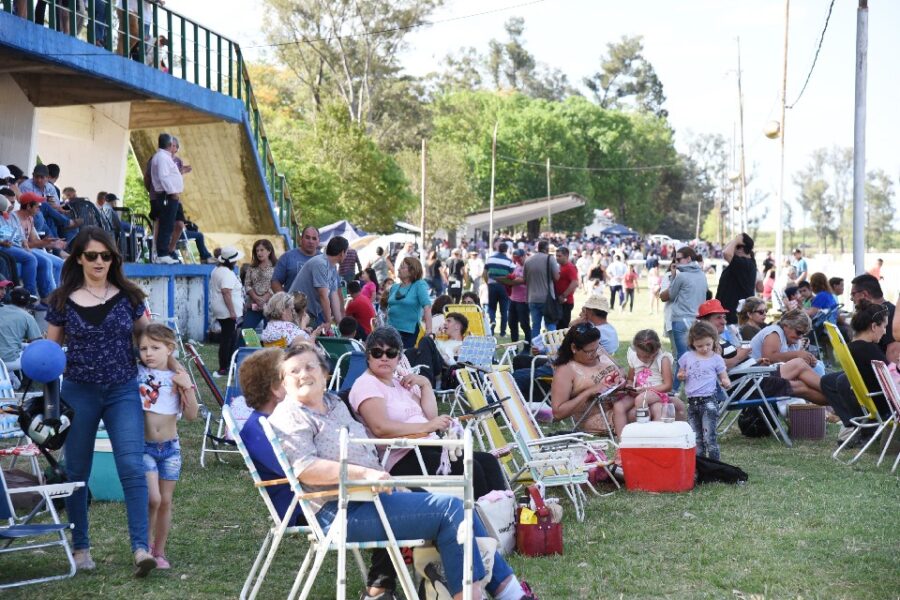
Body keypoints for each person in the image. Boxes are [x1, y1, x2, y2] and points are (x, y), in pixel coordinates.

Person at [269, 342, 535, 600]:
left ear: (324, 372)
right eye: (294, 371)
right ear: (283, 382)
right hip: (340, 510)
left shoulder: (334, 404)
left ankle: (510, 593)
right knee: (452, 510)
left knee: (461, 508)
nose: (303, 374)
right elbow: (305, 468)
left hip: (372, 497)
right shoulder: (290, 415)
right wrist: (366, 475)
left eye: (310, 367)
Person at [45, 227, 157, 576]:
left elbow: (149, 338)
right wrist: (48, 403)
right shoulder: (61, 300)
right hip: (78, 391)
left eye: (105, 256)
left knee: (132, 467)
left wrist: (172, 370)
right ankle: (80, 548)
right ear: (78, 258)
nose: (99, 262)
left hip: (122, 389)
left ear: (113, 259)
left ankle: (141, 548)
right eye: (91, 255)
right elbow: (49, 353)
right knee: (77, 471)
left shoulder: (130, 296)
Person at [136, 323, 199, 570]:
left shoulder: (177, 377)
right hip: (145, 447)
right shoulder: (137, 373)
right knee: (153, 498)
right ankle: (143, 547)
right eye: (143, 348)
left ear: (169, 349)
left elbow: (192, 415)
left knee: (165, 502)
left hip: (171, 449)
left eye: (155, 348)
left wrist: (187, 385)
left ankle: (159, 551)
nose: (148, 353)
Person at [820, 301, 892, 429]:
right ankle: (863, 427)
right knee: (839, 379)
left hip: (868, 403)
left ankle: (852, 422)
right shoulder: (870, 351)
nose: (885, 332)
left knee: (828, 380)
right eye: (884, 326)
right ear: (874, 326)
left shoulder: (850, 348)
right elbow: (892, 379)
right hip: (885, 408)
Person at [549, 323, 624, 434]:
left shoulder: (598, 350)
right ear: (574, 348)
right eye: (589, 352)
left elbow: (620, 369)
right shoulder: (566, 370)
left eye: (597, 348)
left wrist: (619, 379)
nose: (595, 354)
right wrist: (589, 392)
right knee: (640, 413)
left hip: (621, 404)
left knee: (647, 406)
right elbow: (558, 413)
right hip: (598, 417)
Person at [678, 320, 730, 460]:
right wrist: (681, 375)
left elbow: (724, 376)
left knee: (709, 437)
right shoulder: (687, 357)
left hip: (709, 402)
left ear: (714, 340)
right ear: (692, 343)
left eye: (708, 344)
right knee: (696, 438)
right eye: (700, 346)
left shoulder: (716, 359)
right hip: (692, 402)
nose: (705, 348)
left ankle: (714, 464)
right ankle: (700, 465)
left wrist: (725, 382)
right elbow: (681, 372)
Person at [612, 329, 678, 438]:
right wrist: (629, 385)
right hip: (638, 391)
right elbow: (630, 378)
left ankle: (644, 434)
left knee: (641, 399)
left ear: (656, 350)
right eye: (639, 355)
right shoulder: (634, 356)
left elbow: (668, 386)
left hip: (657, 392)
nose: (642, 359)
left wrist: (645, 390)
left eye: (646, 357)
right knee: (618, 406)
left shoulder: (663, 359)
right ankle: (622, 441)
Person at [659, 246, 708, 383]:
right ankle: (684, 386)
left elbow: (668, 296)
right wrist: (674, 277)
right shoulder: (699, 274)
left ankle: (675, 388)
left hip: (682, 319)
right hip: (691, 319)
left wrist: (676, 278)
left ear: (688, 259)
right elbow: (663, 296)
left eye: (679, 259)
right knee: (687, 355)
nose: (676, 262)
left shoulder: (688, 275)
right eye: (675, 259)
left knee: (684, 356)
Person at [288, 235, 347, 327]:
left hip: (307, 313)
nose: (346, 256)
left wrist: (341, 325)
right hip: (295, 313)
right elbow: (323, 295)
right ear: (342, 253)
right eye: (346, 253)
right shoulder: (321, 264)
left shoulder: (332, 267)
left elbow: (334, 296)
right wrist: (328, 322)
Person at [148, 133, 184, 264]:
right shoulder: (162, 157)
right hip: (167, 195)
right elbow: (163, 177)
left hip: (168, 195)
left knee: (168, 224)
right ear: (169, 145)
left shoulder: (163, 156)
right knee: (166, 225)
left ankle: (164, 253)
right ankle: (162, 253)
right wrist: (172, 192)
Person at [210, 246, 244, 376]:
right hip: (227, 311)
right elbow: (226, 292)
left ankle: (226, 365)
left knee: (227, 337)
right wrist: (232, 312)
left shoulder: (217, 270)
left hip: (220, 309)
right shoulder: (227, 273)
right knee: (228, 339)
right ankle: (224, 367)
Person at [386, 256, 432, 349]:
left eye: (402, 267)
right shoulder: (394, 287)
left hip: (407, 333)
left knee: (403, 356)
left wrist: (428, 331)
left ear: (412, 271)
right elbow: (389, 308)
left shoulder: (419, 285)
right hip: (389, 330)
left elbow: (427, 307)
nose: (398, 269)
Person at [715, 233, 760, 325]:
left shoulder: (745, 264)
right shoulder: (743, 263)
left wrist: (737, 240)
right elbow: (726, 250)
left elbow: (726, 253)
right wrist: (736, 240)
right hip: (730, 316)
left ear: (741, 249)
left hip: (733, 318)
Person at [849, 273, 896, 354]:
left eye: (853, 294)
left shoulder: (890, 314)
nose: (851, 299)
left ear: (864, 294)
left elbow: (894, 351)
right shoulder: (872, 313)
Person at [0, 286, 43, 372]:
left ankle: (11, 378)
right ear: (28, 303)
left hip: (2, 360)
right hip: (9, 361)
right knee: (42, 356)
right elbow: (37, 344)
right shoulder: (28, 317)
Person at [524, 240, 559, 334]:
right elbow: (556, 277)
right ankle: (553, 343)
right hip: (547, 298)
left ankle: (535, 343)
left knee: (535, 326)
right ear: (547, 249)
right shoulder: (550, 259)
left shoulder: (528, 260)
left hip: (532, 298)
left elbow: (525, 279)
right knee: (550, 324)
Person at [271, 226, 320, 292]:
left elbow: (333, 286)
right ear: (301, 239)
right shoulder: (287, 257)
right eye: (307, 237)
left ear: (318, 242)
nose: (310, 241)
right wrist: (284, 297)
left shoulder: (325, 260)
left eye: (314, 238)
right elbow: (275, 281)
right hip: (292, 298)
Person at [243, 239, 277, 330]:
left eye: (262, 250)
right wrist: (255, 298)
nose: (259, 253)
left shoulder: (276, 267)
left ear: (269, 251)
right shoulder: (252, 267)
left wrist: (265, 298)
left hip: (271, 306)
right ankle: (245, 341)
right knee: (246, 331)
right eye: (257, 251)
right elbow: (247, 284)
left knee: (270, 333)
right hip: (254, 305)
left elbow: (278, 284)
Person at [484, 242, 515, 337]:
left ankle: (492, 325)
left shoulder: (490, 259)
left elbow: (484, 273)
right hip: (504, 286)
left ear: (498, 248)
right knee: (504, 310)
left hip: (492, 285)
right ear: (506, 250)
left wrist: (487, 282)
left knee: (491, 308)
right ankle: (502, 332)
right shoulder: (509, 261)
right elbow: (512, 275)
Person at [507, 248, 530, 347]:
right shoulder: (517, 265)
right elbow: (514, 276)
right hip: (513, 298)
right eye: (515, 258)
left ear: (524, 256)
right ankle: (514, 346)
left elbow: (525, 279)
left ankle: (527, 346)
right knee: (512, 323)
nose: (517, 260)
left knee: (524, 324)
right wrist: (509, 277)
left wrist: (512, 281)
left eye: (519, 258)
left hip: (523, 299)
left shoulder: (528, 266)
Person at [554, 246, 579, 328]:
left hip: (566, 302)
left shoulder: (570, 267)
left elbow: (575, 283)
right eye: (556, 256)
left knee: (562, 327)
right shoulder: (560, 266)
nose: (557, 258)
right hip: (560, 301)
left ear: (566, 256)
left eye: (559, 256)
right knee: (558, 326)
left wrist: (563, 295)